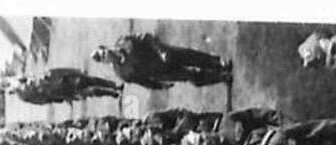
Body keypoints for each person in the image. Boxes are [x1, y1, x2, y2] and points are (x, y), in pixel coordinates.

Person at [92, 33, 232, 89]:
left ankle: (219, 63)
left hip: (164, 55)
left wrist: (161, 50)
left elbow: (146, 37)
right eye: (103, 58)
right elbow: (144, 82)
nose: (106, 56)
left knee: (192, 57)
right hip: (162, 73)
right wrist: (161, 86)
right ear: (105, 63)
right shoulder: (122, 73)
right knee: (192, 78)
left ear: (106, 48)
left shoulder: (123, 42)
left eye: (103, 52)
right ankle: (221, 77)